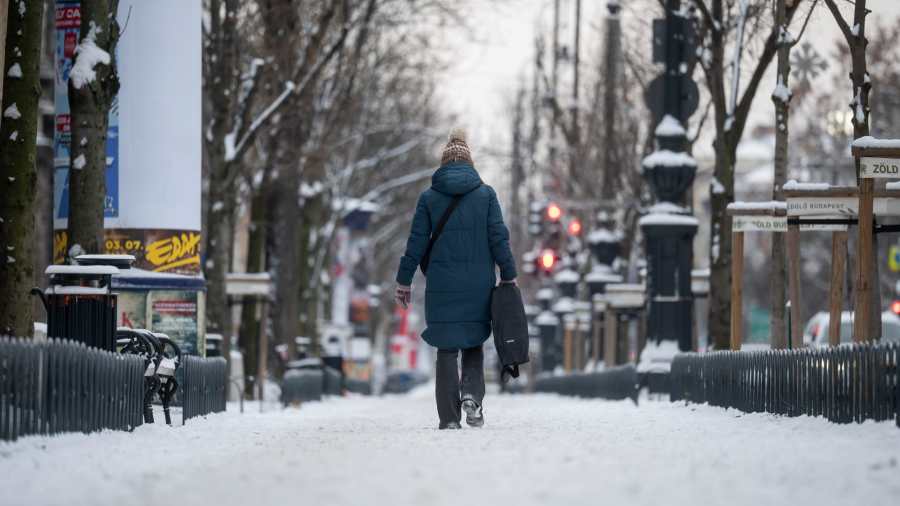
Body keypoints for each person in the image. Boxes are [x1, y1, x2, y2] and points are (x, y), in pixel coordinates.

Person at [394, 128, 517, 430]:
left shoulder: (428, 198)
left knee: (447, 348)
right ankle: (472, 396)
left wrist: (403, 280)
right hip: (479, 285)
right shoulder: (486, 195)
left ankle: (449, 418)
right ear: (470, 164)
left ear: (443, 163)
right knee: (473, 342)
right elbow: (498, 237)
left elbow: (416, 243)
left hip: (441, 286)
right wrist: (509, 274)